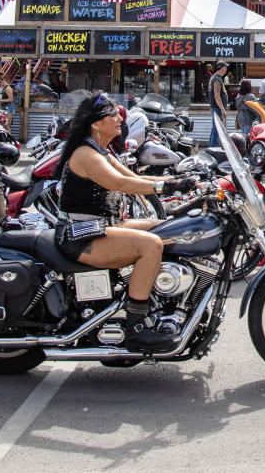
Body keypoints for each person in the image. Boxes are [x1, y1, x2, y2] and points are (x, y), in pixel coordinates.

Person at [53, 94, 197, 351]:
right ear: (95, 123)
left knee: (165, 230)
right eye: (113, 115)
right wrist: (169, 186)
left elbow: (133, 178)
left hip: (99, 227)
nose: (121, 118)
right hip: (81, 236)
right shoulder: (86, 154)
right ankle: (137, 327)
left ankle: (160, 298)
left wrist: (184, 181)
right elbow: (120, 184)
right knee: (150, 245)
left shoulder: (100, 151)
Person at [206, 61, 229, 148]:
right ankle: (214, 148)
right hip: (217, 108)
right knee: (217, 129)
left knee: (215, 128)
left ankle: (211, 147)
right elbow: (217, 96)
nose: (226, 69)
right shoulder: (216, 79)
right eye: (225, 67)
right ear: (222, 68)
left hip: (215, 107)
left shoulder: (215, 77)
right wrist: (222, 109)